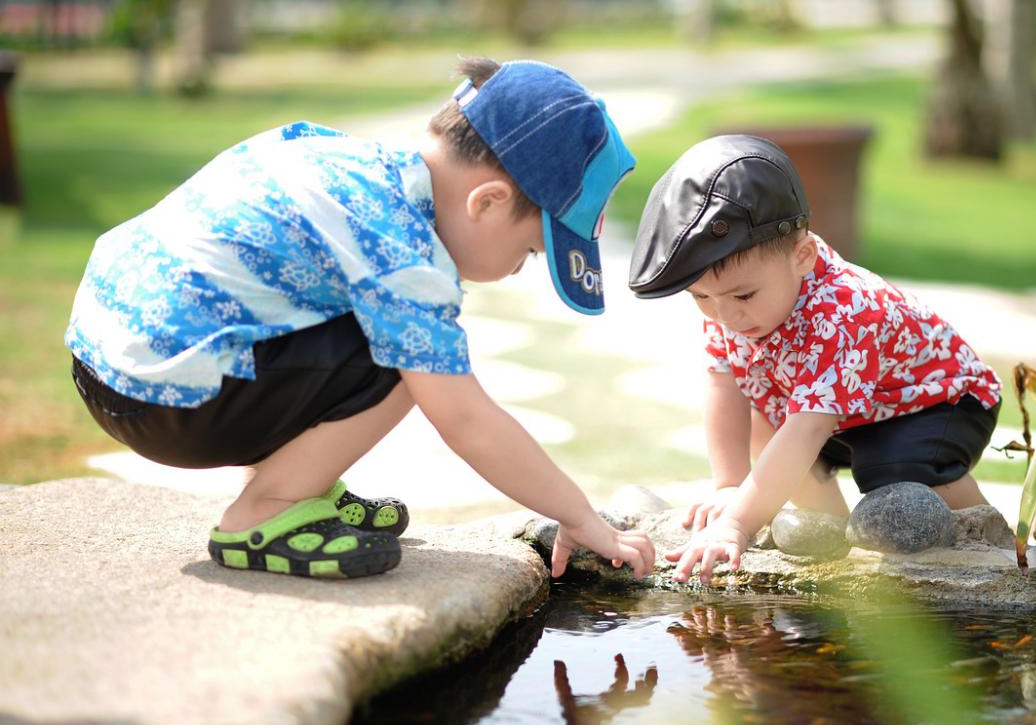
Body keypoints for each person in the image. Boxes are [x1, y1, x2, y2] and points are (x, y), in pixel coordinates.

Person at [66, 57, 655, 581]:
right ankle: (265, 512)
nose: (515, 270)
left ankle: (301, 486)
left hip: (110, 361)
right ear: (488, 202)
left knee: (380, 329)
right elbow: (466, 420)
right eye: (529, 253)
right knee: (412, 361)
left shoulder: (347, 160)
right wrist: (578, 515)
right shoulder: (401, 250)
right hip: (165, 400)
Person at [628, 134, 1001, 583]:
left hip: (937, 404)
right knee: (765, 419)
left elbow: (808, 429)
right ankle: (832, 542)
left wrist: (736, 524)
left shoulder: (845, 309)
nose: (725, 315)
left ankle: (986, 538)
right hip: (843, 412)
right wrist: (730, 485)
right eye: (701, 297)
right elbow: (723, 384)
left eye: (743, 294)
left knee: (891, 471)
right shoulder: (732, 305)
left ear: (802, 255)